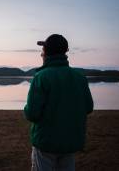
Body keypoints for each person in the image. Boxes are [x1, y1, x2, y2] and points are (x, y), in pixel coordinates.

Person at [24, 34, 93, 171]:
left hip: (46, 143)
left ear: (47, 53)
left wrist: (27, 108)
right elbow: (88, 107)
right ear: (64, 52)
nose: (41, 54)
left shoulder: (41, 77)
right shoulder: (79, 77)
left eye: (43, 50)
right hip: (70, 142)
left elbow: (32, 114)